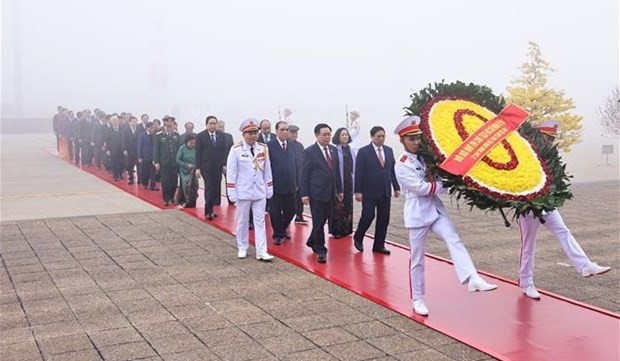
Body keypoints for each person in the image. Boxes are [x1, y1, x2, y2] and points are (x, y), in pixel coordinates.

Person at [393, 115, 498, 316]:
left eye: (417, 138)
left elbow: (440, 178)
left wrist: (443, 182)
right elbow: (421, 188)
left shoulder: (427, 156)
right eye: (411, 139)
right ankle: (418, 298)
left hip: (435, 209)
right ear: (402, 141)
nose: (416, 142)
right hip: (417, 213)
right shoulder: (401, 164)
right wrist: (441, 185)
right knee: (417, 259)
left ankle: (472, 278)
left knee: (453, 238)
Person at [517, 120, 611, 299]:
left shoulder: (550, 156)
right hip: (528, 206)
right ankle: (526, 282)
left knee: (563, 231)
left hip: (547, 204)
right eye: (548, 137)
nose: (550, 141)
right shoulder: (526, 153)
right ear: (539, 135)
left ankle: (584, 265)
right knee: (528, 245)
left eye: (552, 138)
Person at [226, 118, 275, 262]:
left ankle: (262, 251)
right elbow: (231, 172)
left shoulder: (263, 148)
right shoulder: (236, 150)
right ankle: (242, 246)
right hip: (243, 191)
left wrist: (269, 187)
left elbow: (267, 170)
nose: (254, 136)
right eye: (250, 133)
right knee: (243, 220)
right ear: (244, 134)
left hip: (259, 191)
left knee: (260, 221)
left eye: (255, 132)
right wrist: (231, 192)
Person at [353, 126, 400, 254]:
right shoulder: (364, 152)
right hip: (369, 191)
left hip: (385, 191)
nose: (381, 139)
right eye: (378, 136)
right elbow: (359, 172)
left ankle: (379, 245)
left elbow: (391, 170)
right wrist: (357, 191)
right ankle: (358, 236)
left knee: (384, 218)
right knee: (368, 216)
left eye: (383, 136)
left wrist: (396, 187)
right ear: (372, 136)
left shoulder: (389, 151)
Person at [301, 123, 343, 263]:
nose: (327, 137)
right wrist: (304, 193)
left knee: (323, 220)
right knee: (318, 222)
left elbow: (336, 172)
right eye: (324, 135)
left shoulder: (333, 150)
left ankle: (312, 240)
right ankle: (320, 249)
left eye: (329, 134)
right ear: (316, 135)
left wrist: (340, 189)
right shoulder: (309, 152)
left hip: (330, 192)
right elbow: (305, 174)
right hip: (316, 193)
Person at [267, 121, 297, 245]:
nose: (285, 132)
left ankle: (282, 227)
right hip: (275, 185)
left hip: (290, 184)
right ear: (276, 131)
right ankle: (278, 234)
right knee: (275, 211)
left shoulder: (292, 145)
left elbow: (296, 164)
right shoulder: (269, 146)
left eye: (287, 130)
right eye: (282, 130)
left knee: (292, 210)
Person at [196, 115, 227, 219]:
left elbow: (223, 151)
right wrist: (198, 168)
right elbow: (198, 152)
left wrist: (224, 165)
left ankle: (212, 209)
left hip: (217, 167)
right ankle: (207, 210)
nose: (213, 125)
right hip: (206, 166)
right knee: (209, 188)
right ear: (207, 124)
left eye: (215, 123)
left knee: (215, 188)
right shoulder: (201, 136)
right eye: (211, 123)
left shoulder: (221, 135)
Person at [329, 127, 356, 238]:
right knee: (338, 207)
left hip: (349, 181)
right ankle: (337, 231)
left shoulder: (351, 150)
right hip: (338, 181)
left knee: (348, 206)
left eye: (346, 134)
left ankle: (346, 230)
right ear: (338, 137)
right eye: (342, 135)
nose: (345, 136)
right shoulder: (334, 150)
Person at [153, 115, 181, 206]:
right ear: (164, 123)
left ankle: (172, 197)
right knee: (165, 181)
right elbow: (156, 149)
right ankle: (166, 198)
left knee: (174, 181)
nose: (169, 124)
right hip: (164, 162)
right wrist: (156, 161)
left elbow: (179, 148)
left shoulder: (176, 135)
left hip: (174, 162)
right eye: (168, 122)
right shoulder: (159, 135)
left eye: (171, 122)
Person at [288, 125, 308, 225]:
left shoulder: (299, 146)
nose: (294, 135)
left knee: (300, 196)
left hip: (300, 175)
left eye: (296, 133)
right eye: (292, 133)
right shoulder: (286, 145)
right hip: (289, 176)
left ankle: (299, 215)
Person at [176, 133, 199, 208]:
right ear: (187, 142)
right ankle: (186, 201)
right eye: (191, 142)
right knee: (186, 185)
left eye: (194, 143)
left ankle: (193, 201)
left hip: (194, 170)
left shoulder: (196, 149)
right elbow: (177, 160)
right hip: (184, 170)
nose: (193, 144)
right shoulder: (182, 148)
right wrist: (186, 165)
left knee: (195, 185)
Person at [217, 120, 235, 205]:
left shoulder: (229, 136)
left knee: (229, 182)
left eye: (222, 127)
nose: (221, 128)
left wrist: (227, 164)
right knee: (216, 183)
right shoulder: (214, 137)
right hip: (216, 164)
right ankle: (216, 201)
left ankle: (231, 200)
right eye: (219, 127)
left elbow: (232, 151)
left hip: (228, 164)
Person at [137, 122, 158, 190]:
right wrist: (139, 156)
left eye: (153, 128)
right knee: (145, 171)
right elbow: (139, 146)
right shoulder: (142, 135)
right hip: (145, 156)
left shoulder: (155, 135)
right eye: (151, 128)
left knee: (153, 171)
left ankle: (153, 185)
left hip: (153, 156)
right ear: (147, 128)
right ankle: (145, 183)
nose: (153, 129)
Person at [121, 116, 139, 185]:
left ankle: (139, 179)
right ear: (130, 122)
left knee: (138, 165)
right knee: (130, 165)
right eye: (133, 121)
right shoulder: (126, 130)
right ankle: (130, 178)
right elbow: (123, 140)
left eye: (135, 121)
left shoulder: (139, 129)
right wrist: (124, 149)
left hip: (137, 150)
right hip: (129, 150)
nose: (134, 123)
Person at [105, 115, 124, 181]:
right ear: (111, 122)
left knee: (121, 162)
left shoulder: (122, 129)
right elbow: (107, 140)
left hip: (121, 149)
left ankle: (120, 174)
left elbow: (124, 139)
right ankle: (115, 175)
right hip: (113, 149)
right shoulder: (109, 130)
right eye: (113, 121)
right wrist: (107, 150)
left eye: (116, 120)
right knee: (114, 163)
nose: (115, 122)